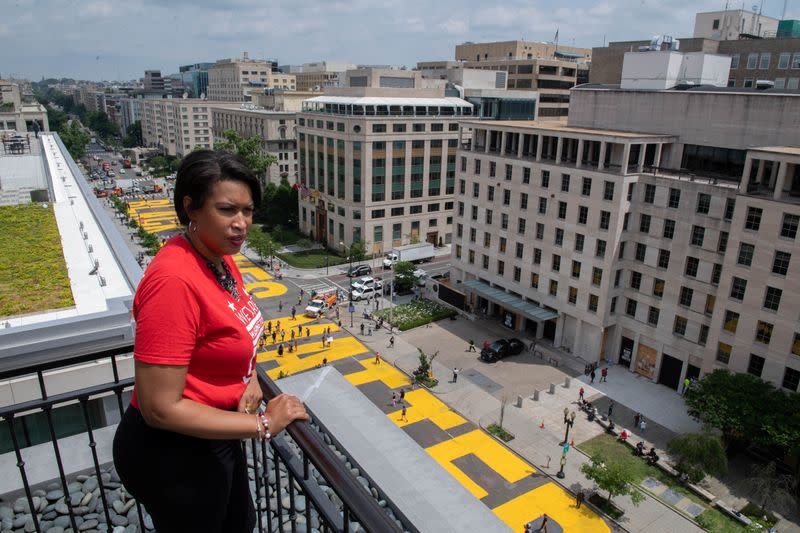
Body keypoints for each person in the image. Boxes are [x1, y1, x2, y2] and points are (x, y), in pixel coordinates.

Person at [112, 150, 308, 533]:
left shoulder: (218, 256)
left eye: (248, 211)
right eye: (227, 209)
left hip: (212, 433)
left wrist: (247, 376)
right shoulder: (175, 281)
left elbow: (229, 333)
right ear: (192, 208)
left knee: (239, 523)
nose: (241, 224)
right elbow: (159, 408)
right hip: (171, 452)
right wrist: (265, 425)